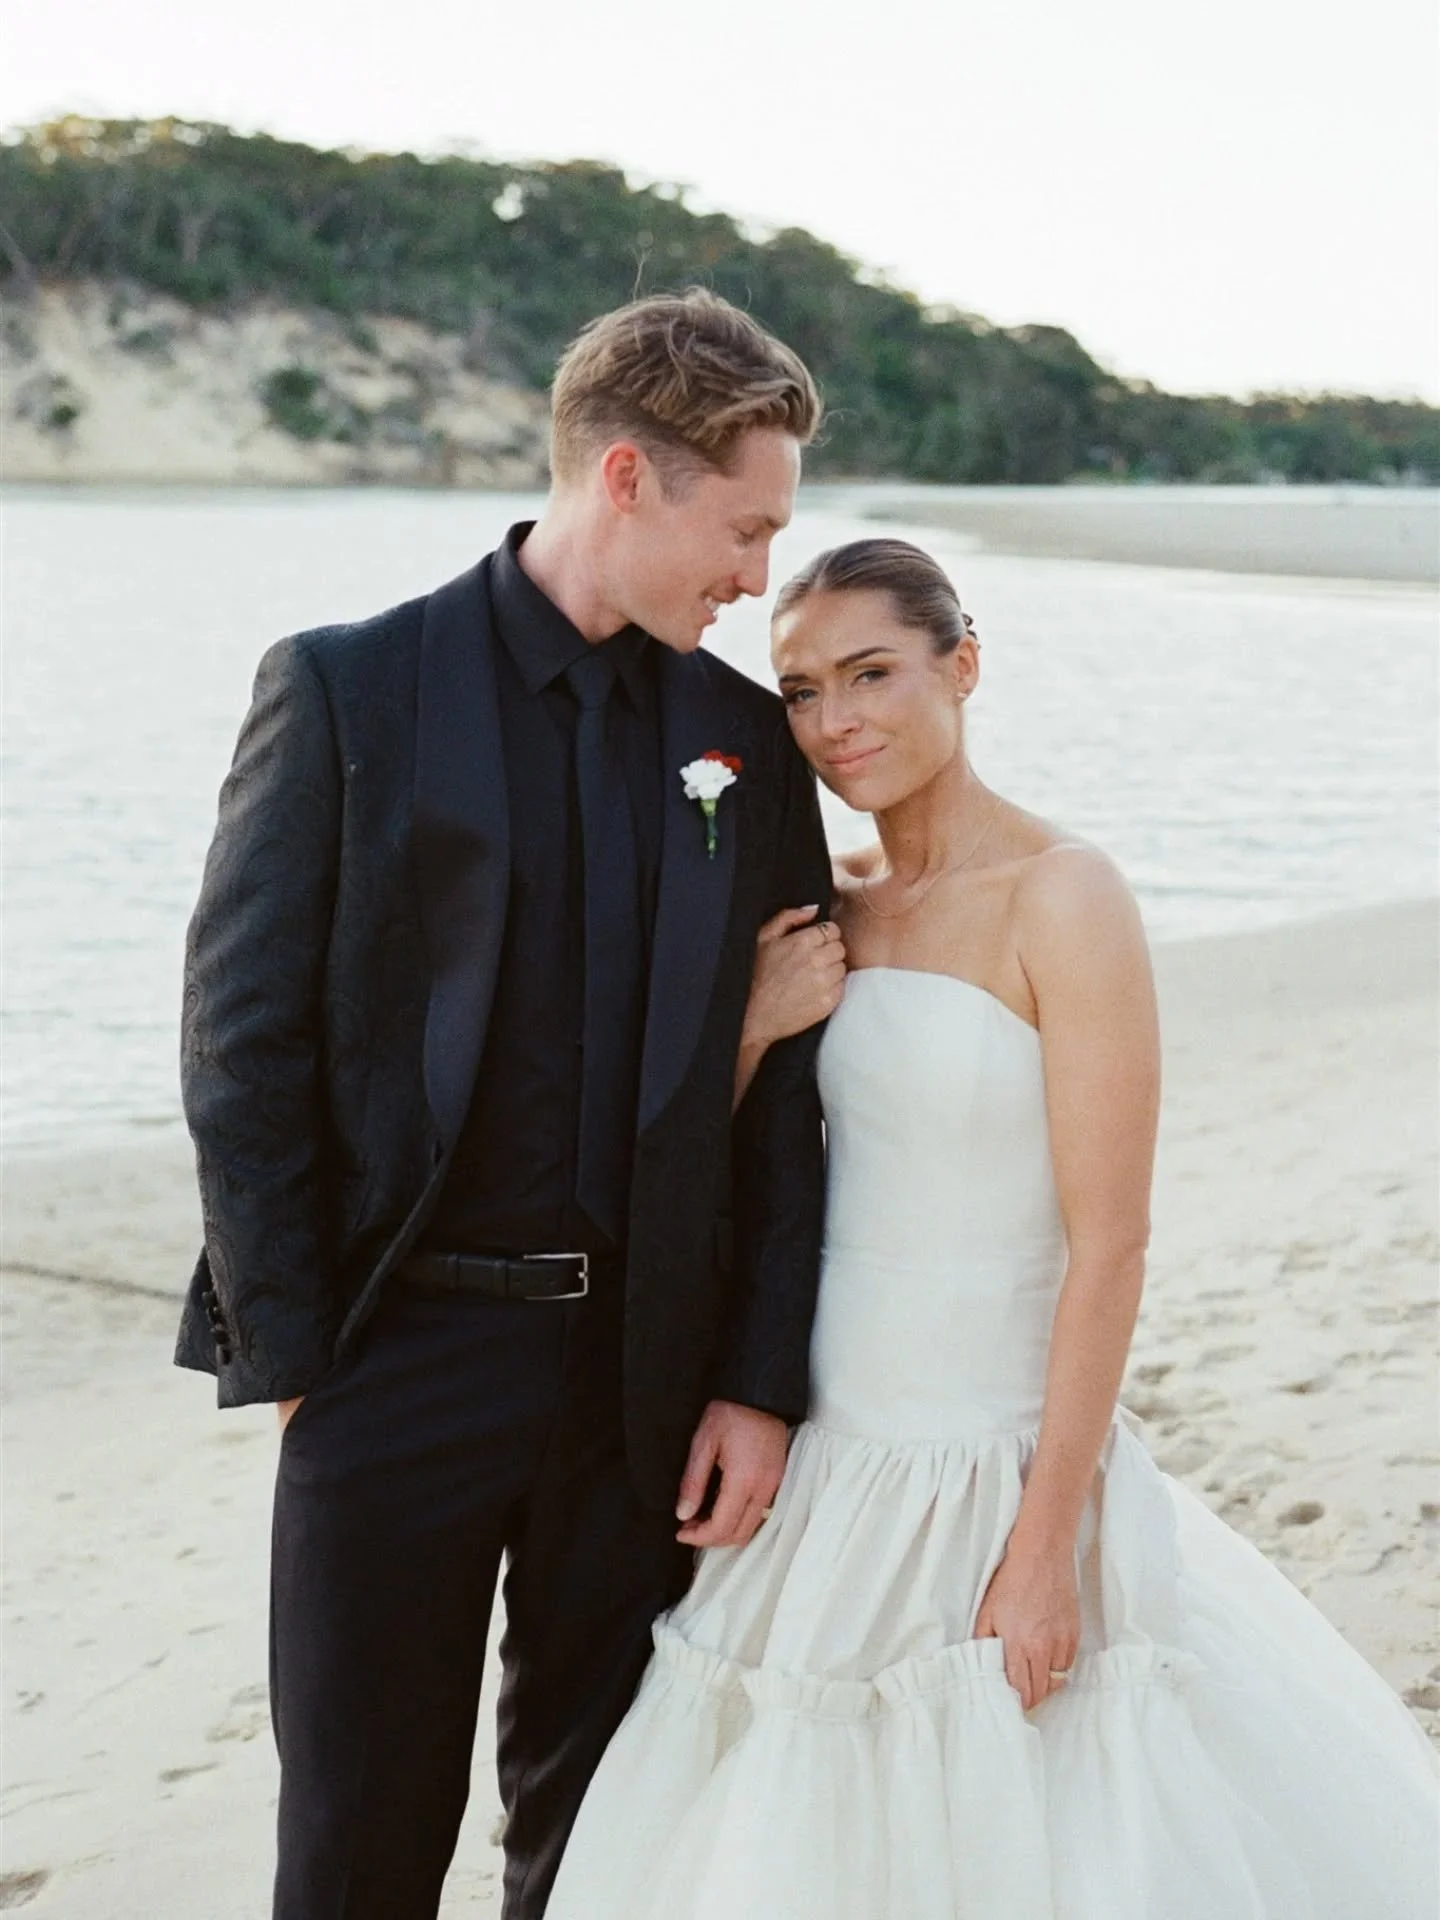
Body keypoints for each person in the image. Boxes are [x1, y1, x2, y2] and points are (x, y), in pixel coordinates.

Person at [547, 538, 1440, 1920]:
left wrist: (1041, 1550)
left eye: (871, 673)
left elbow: (1112, 1246)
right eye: (798, 690)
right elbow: (739, 1177)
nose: (837, 720)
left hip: (996, 1449)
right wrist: (747, 1033)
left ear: (963, 664)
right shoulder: (818, 905)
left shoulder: (1063, 896)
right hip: (829, 1451)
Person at [173, 289, 850, 1920]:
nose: (757, 576)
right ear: (629, 476)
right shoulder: (351, 689)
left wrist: (756, 1383)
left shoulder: (742, 743)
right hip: (394, 1360)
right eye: (745, 528)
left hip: (646, 1384)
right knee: (356, 1843)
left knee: (605, 1843)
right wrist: (299, 1360)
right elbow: (238, 1043)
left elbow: (788, 1102)